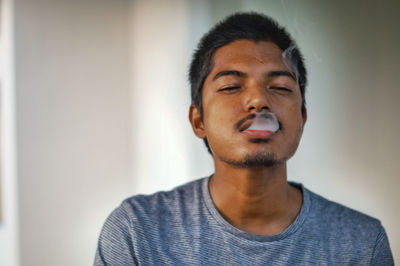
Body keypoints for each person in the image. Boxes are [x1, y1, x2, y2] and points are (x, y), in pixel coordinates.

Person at [94, 12, 394, 265]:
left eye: (279, 87)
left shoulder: (361, 245)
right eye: (230, 86)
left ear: (302, 118)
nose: (258, 101)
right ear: (199, 120)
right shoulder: (137, 233)